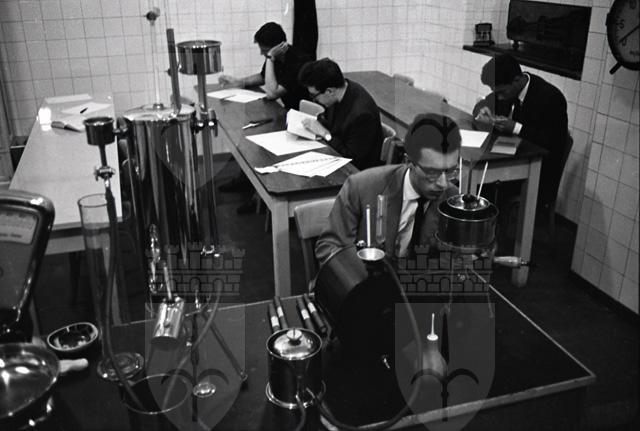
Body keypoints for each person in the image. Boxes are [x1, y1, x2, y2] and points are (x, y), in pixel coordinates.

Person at [315, 113, 460, 264]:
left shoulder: (451, 198)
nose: (443, 183)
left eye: (450, 171)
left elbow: (453, 256)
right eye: (432, 172)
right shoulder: (361, 187)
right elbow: (330, 248)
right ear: (408, 161)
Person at [473, 54, 569, 208]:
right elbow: (481, 106)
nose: (499, 98)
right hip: (509, 160)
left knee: (480, 185)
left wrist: (516, 128)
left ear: (517, 80)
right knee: (472, 176)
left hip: (538, 172)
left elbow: (550, 142)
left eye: (502, 92)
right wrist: (482, 111)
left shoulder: (550, 97)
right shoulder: (507, 88)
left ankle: (487, 220)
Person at [298, 58, 383, 170]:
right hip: (337, 156)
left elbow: (351, 157)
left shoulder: (362, 114)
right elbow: (329, 122)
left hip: (358, 171)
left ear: (329, 91)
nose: (314, 100)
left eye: (314, 96)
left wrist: (324, 134)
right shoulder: (339, 92)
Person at [218, 22, 309, 110]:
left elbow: (272, 94)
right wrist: (240, 82)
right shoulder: (275, 56)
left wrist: (270, 57)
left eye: (265, 50)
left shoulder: (298, 61)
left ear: (278, 47)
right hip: (289, 109)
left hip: (302, 113)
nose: (262, 53)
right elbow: (263, 77)